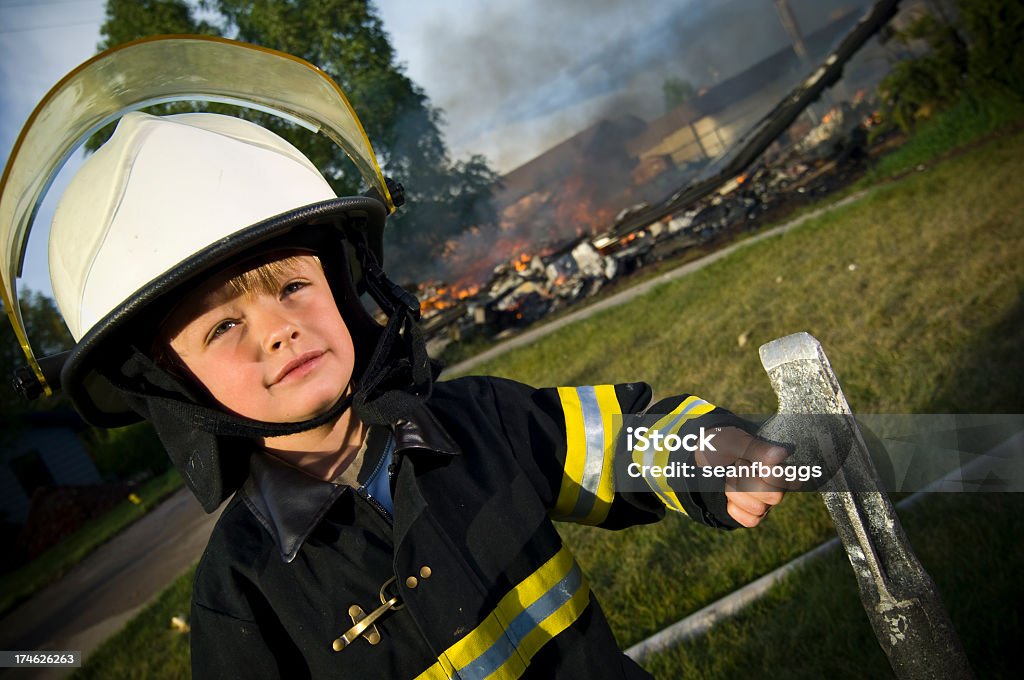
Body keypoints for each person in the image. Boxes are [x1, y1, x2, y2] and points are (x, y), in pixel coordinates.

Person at [13, 46, 789, 680]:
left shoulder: (477, 425)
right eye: (222, 329)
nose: (278, 331)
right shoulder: (243, 596)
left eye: (292, 286)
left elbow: (619, 443)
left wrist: (704, 451)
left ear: (350, 292)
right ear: (169, 387)